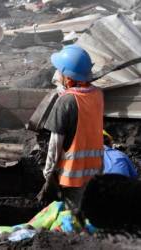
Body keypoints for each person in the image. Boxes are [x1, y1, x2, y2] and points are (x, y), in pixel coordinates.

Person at [37, 44, 104, 212]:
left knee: (73, 219)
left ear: (68, 77)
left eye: (59, 70)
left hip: (72, 175)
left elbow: (55, 144)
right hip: (94, 170)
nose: (57, 74)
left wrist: (48, 174)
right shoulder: (98, 95)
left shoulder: (66, 102)